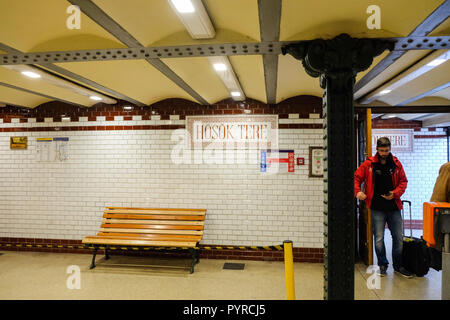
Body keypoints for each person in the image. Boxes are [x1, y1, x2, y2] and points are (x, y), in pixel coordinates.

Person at [354, 137, 412, 278]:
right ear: (377, 150)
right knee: (379, 238)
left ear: (390, 148)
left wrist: (395, 193)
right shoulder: (369, 164)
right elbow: (356, 178)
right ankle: (382, 265)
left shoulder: (396, 164)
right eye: (382, 150)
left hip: (394, 206)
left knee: (398, 238)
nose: (384, 153)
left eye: (386, 150)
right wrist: (358, 192)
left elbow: (403, 181)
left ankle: (398, 266)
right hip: (376, 207)